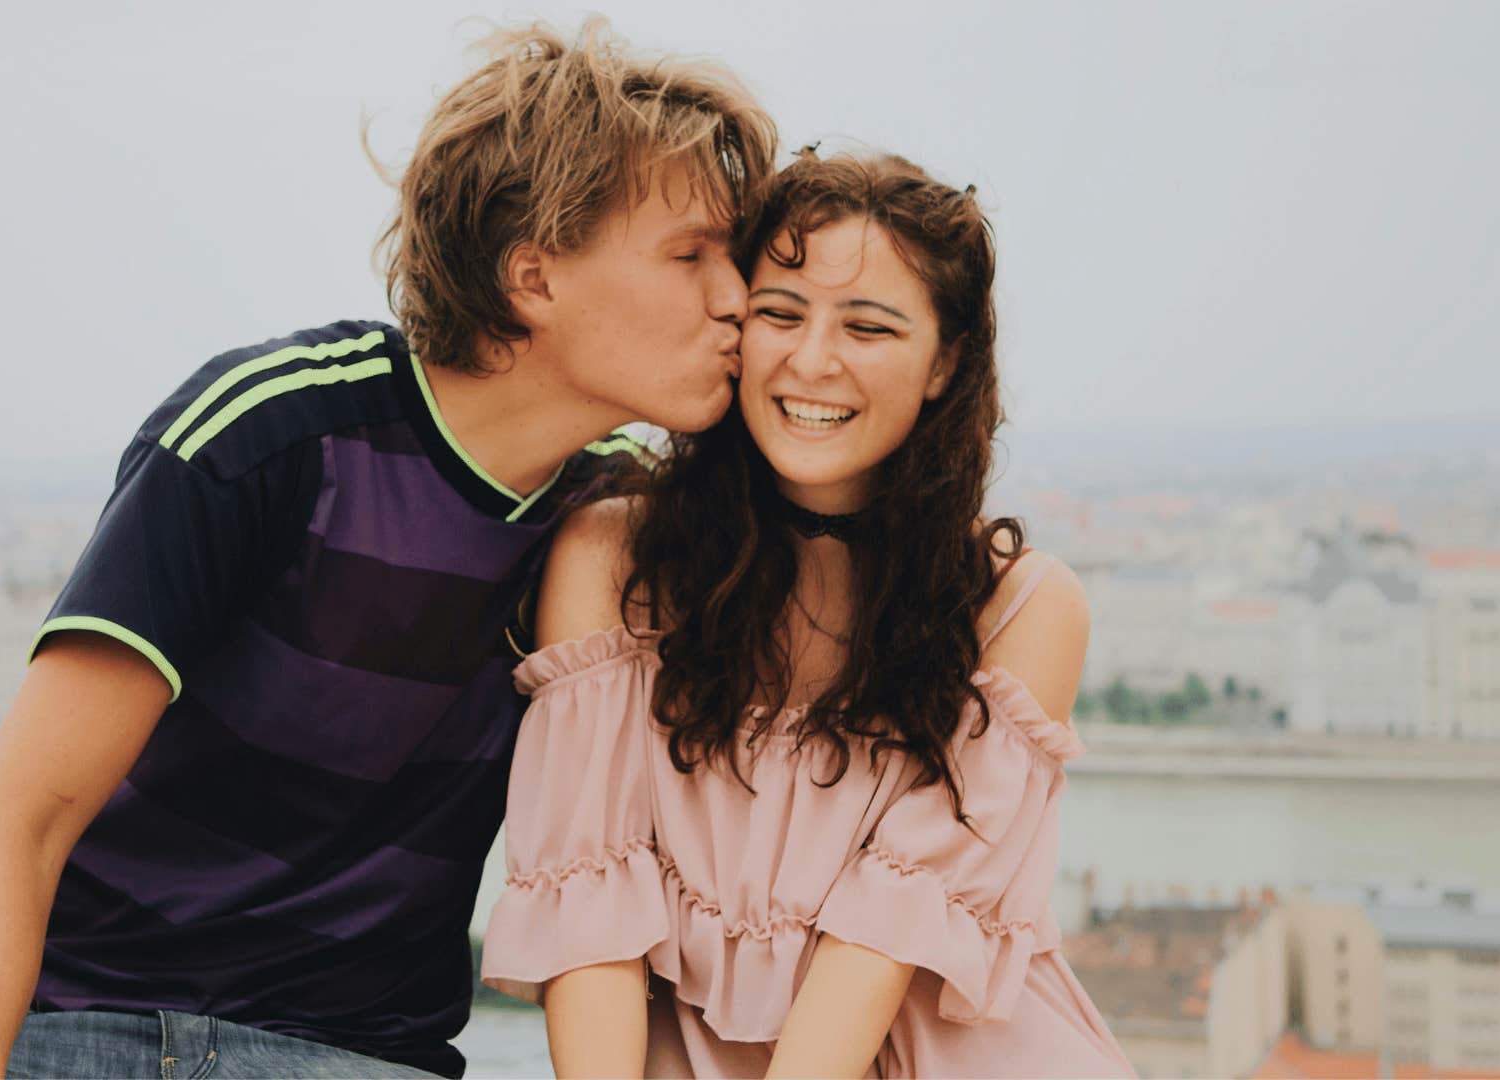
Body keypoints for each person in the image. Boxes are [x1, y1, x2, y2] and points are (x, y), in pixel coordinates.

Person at [0, 20, 775, 1079]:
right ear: (532, 279)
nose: (737, 299)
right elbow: (18, 818)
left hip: (375, 1056)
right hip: (117, 1028)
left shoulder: (611, 533)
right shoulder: (273, 434)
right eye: (691, 256)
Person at [481, 150, 1137, 1078]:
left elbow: (878, 944)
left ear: (945, 361)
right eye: (780, 314)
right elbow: (589, 918)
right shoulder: (613, 558)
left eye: (868, 327)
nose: (812, 360)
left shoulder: (1021, 604)